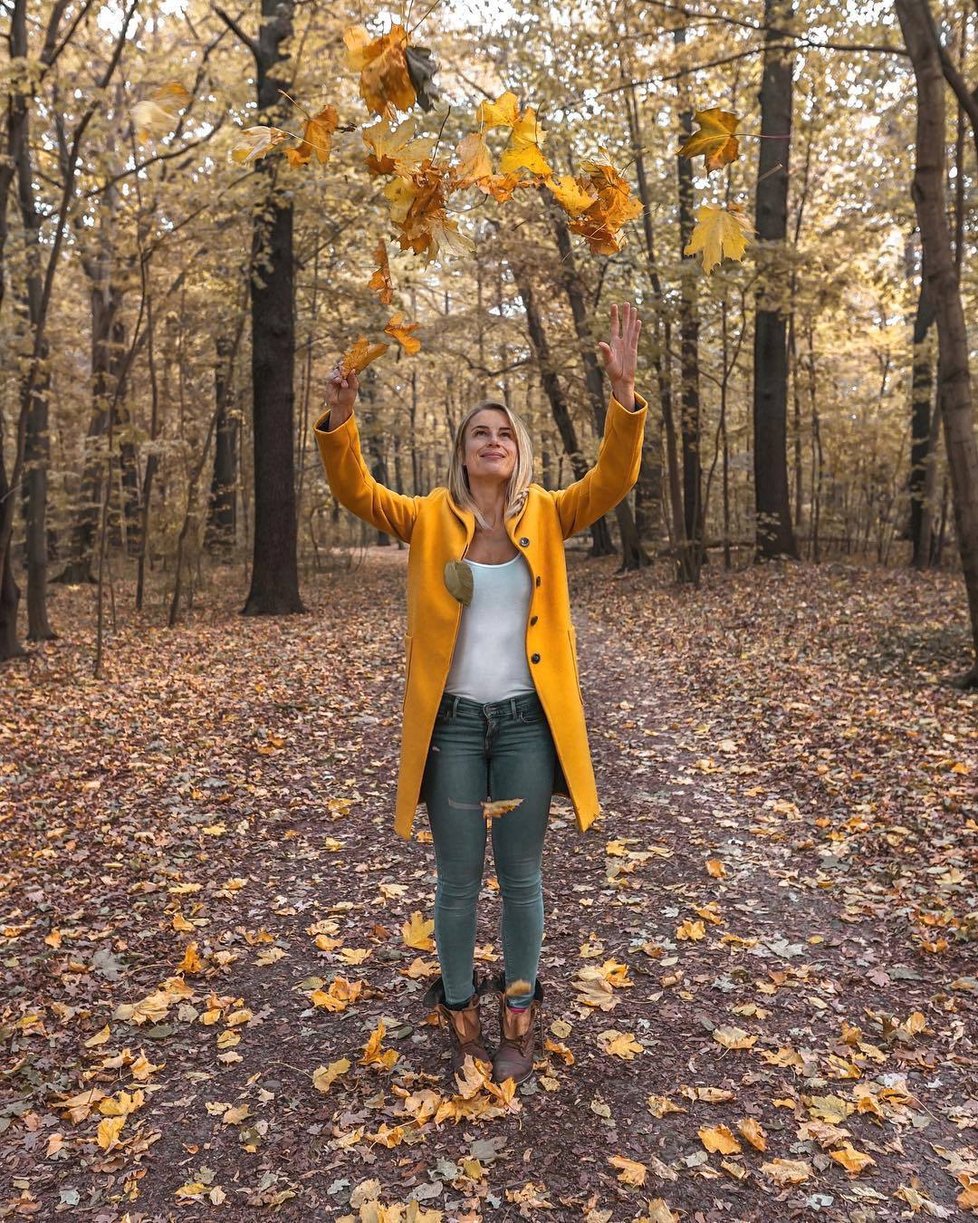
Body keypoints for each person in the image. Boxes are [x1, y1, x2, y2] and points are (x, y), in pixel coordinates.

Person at [315, 302, 646, 1086]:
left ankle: (519, 1012)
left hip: (529, 727)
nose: (492, 440)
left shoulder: (552, 514)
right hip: (455, 729)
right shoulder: (431, 516)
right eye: (478, 433)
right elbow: (358, 491)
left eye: (504, 432)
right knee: (458, 877)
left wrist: (624, 396)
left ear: (518, 452)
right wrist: (340, 417)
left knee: (523, 875)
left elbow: (614, 477)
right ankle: (461, 1005)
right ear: (462, 454)